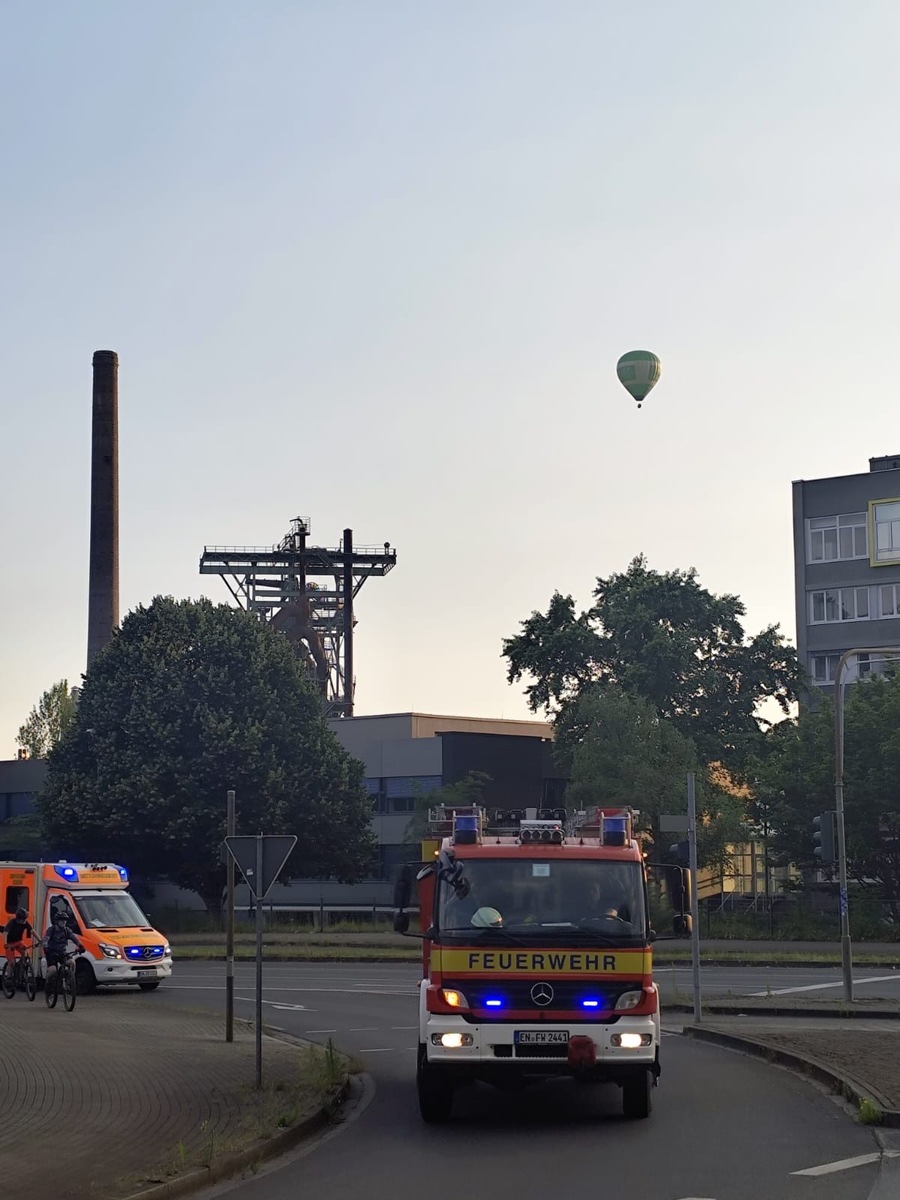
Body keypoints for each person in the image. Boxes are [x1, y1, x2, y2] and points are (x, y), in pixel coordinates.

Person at [43, 909, 84, 985]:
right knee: (53, 970)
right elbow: (45, 939)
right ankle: (47, 983)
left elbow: (74, 938)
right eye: (61, 920)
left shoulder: (66, 930)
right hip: (52, 953)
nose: (64, 922)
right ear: (57, 921)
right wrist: (45, 948)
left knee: (72, 963)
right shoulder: (51, 930)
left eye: (65, 920)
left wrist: (80, 946)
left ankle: (69, 980)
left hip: (62, 952)